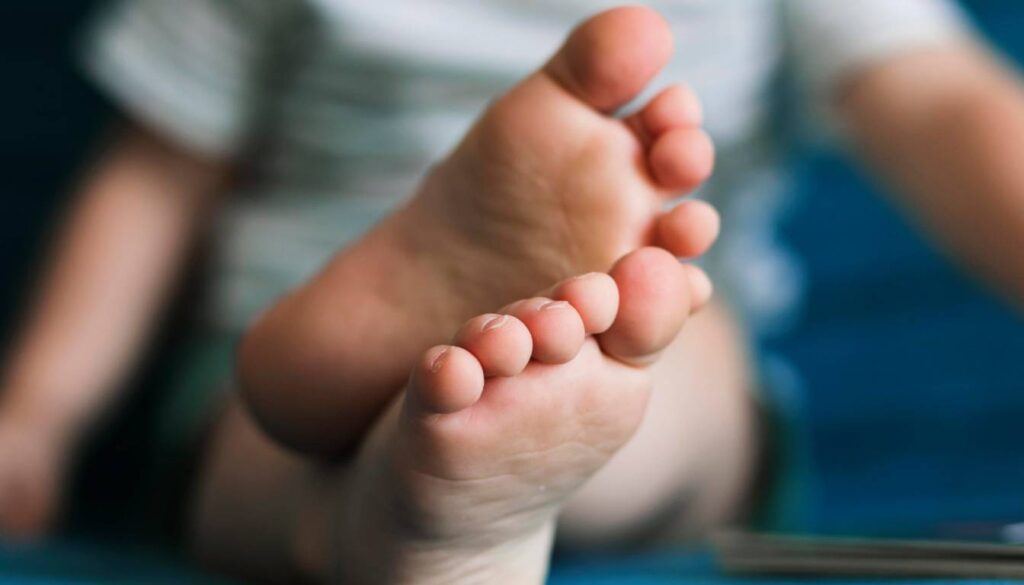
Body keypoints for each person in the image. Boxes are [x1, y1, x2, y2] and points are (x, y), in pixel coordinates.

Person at [1, 0, 1023, 583]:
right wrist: (38, 411)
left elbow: (934, 105)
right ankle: (449, 484)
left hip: (606, 315)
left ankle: (420, 508)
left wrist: (35, 411)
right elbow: (151, 184)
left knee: (640, 353)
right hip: (311, 350)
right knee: (663, 368)